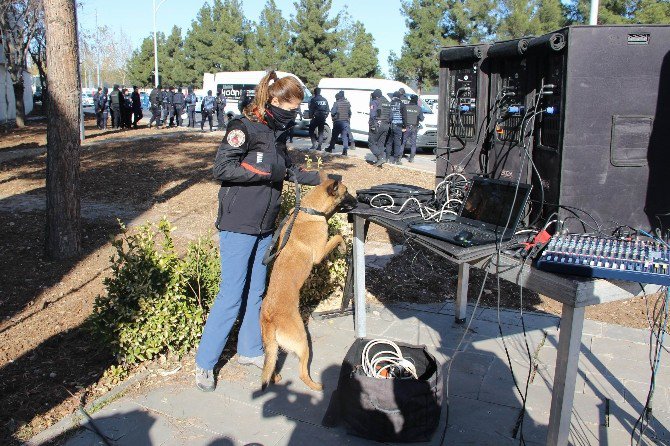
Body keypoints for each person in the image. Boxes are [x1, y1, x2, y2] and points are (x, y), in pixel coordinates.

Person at [194, 70, 323, 392]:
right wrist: (265, 172)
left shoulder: (276, 134)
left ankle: (249, 350)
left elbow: (289, 170)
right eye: (291, 109)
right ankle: (205, 364)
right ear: (275, 100)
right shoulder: (242, 128)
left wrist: (325, 179)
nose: (294, 115)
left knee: (257, 293)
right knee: (231, 295)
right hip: (238, 225)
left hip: (266, 226)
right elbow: (222, 168)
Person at [368, 89, 391, 166]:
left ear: (376, 96)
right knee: (381, 143)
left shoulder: (375, 101)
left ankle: (380, 157)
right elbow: (391, 115)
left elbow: (372, 114)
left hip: (377, 124)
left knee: (371, 142)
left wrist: (372, 124)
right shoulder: (387, 102)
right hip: (386, 125)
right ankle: (380, 161)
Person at [327, 90, 351, 155]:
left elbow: (332, 112)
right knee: (344, 137)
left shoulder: (336, 103)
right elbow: (350, 113)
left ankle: (330, 148)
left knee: (334, 136)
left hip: (338, 122)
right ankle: (345, 151)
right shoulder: (347, 103)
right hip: (345, 122)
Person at [387, 90, 406, 164]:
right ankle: (395, 160)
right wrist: (404, 126)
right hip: (398, 125)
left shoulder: (390, 103)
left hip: (390, 125)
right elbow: (404, 116)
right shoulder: (402, 104)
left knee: (389, 142)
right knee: (397, 143)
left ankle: (387, 158)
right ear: (399, 97)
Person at [404, 94, 424, 163]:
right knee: (413, 144)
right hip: (414, 128)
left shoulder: (405, 107)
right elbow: (421, 119)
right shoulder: (419, 108)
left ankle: (399, 157)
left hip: (406, 127)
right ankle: (411, 158)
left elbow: (403, 116)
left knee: (403, 142)